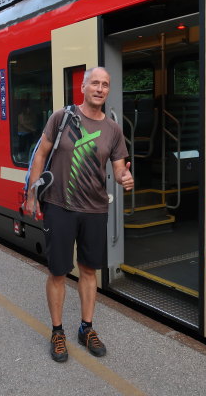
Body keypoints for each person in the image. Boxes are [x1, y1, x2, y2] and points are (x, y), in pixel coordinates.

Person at [25, 67, 133, 363]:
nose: (100, 88)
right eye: (95, 83)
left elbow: (119, 167)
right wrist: (32, 194)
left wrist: (125, 177)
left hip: (95, 210)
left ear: (108, 91)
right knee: (58, 271)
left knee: (89, 270)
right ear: (83, 87)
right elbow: (41, 154)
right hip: (59, 207)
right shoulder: (62, 118)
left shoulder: (113, 129)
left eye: (105, 85)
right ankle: (57, 331)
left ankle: (86, 328)